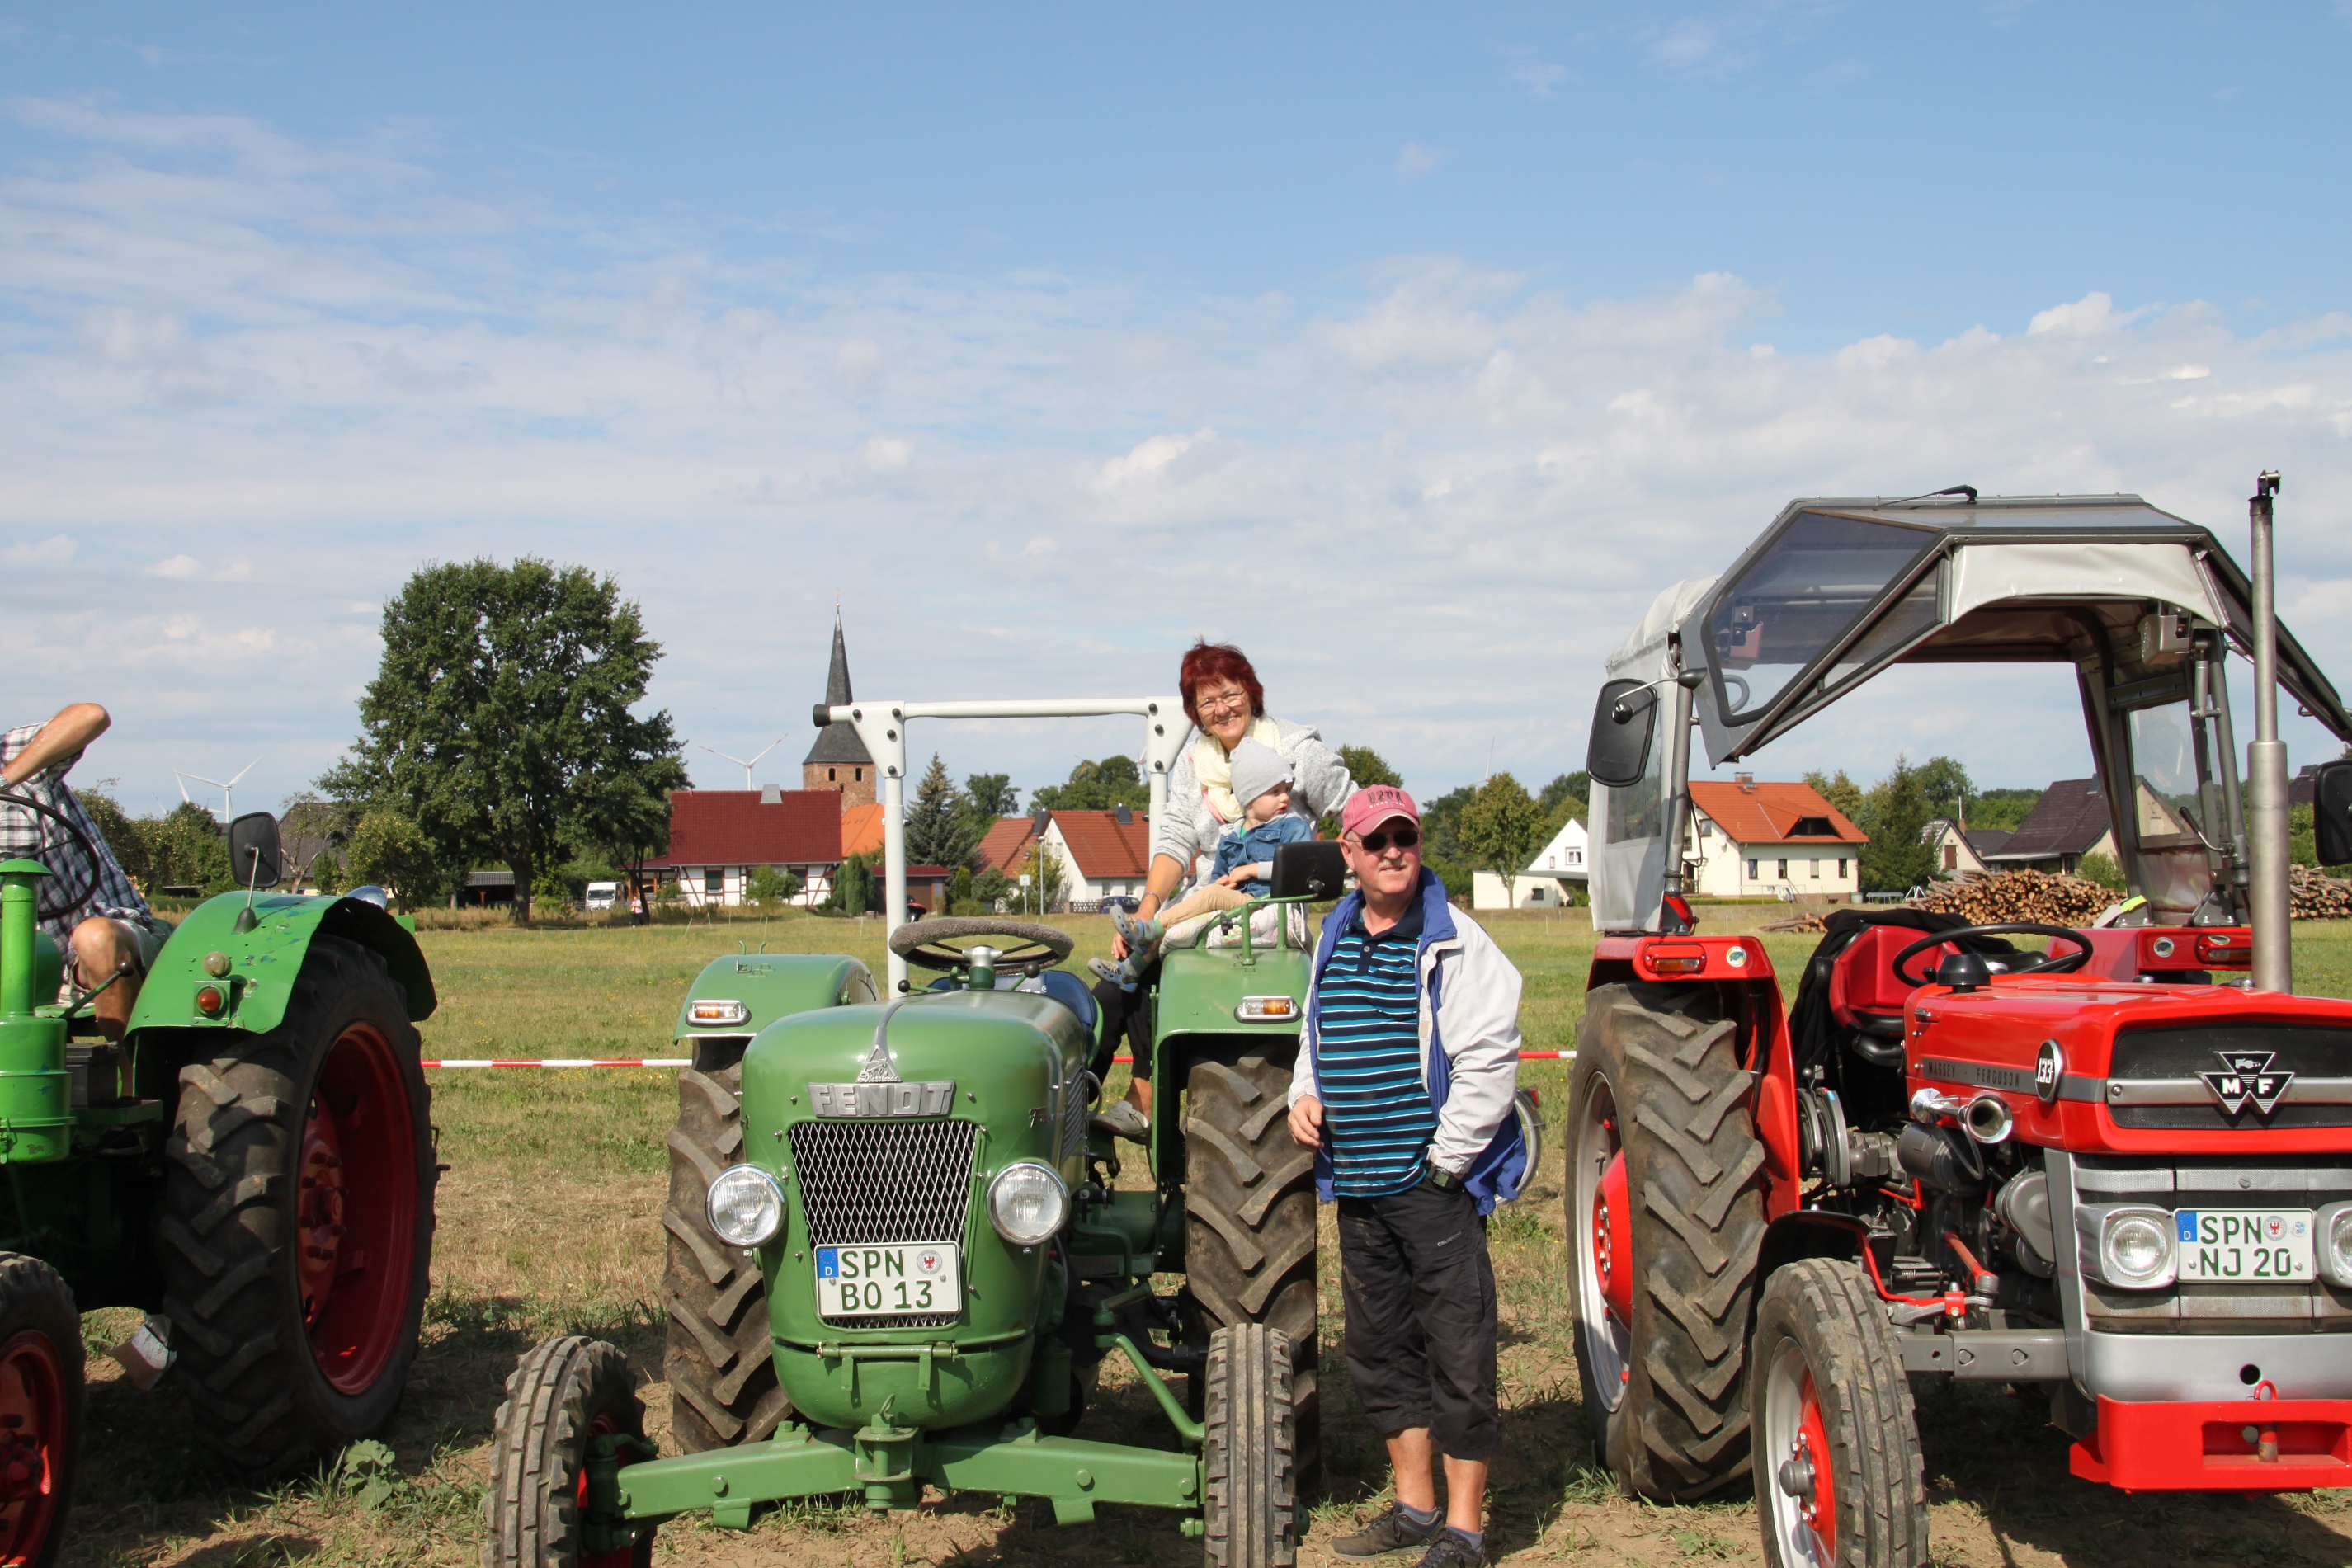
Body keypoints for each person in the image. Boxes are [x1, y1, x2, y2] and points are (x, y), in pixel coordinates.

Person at [1286, 785, 1525, 1568]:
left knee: (1457, 1353)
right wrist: (1303, 1094)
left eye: (1406, 837)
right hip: (1357, 1188)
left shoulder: (1453, 937)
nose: (1394, 851)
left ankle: (1464, 1531)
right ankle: (1416, 1510)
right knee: (1381, 1351)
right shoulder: (1334, 931)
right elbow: (1314, 1034)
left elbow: (1489, 1054)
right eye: (1377, 840)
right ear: (1348, 854)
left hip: (1429, 1188)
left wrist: (1447, 1162)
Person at [1087, 641, 1355, 1137]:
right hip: (1204, 901)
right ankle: (1069, 1114)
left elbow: (1352, 808)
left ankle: (1144, 1093)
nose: (1222, 709)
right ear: (1196, 712)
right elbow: (1175, 839)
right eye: (1207, 702)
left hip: (1267, 910)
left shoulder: (1296, 750)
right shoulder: (1196, 763)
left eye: (1230, 694)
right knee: (1110, 991)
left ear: (1251, 693)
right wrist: (1148, 905)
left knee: (1154, 964)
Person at [0, 704, 175, 1041]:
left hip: (103, 929)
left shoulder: (11, 752)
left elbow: (91, 716)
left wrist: (3, 781)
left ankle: (128, 1066)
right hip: (27, 959)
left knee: (94, 938)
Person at [1087, 737, 1314, 990]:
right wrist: (1222, 884)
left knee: (1208, 896)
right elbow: (1217, 877)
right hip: (1235, 905)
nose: (1285, 798)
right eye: (1275, 791)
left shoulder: (1292, 827)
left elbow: (1299, 869)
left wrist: (1251, 870)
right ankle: (1130, 971)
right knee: (1178, 926)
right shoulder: (1230, 835)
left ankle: (1148, 930)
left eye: (1287, 789)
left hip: (1267, 904)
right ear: (1250, 798)